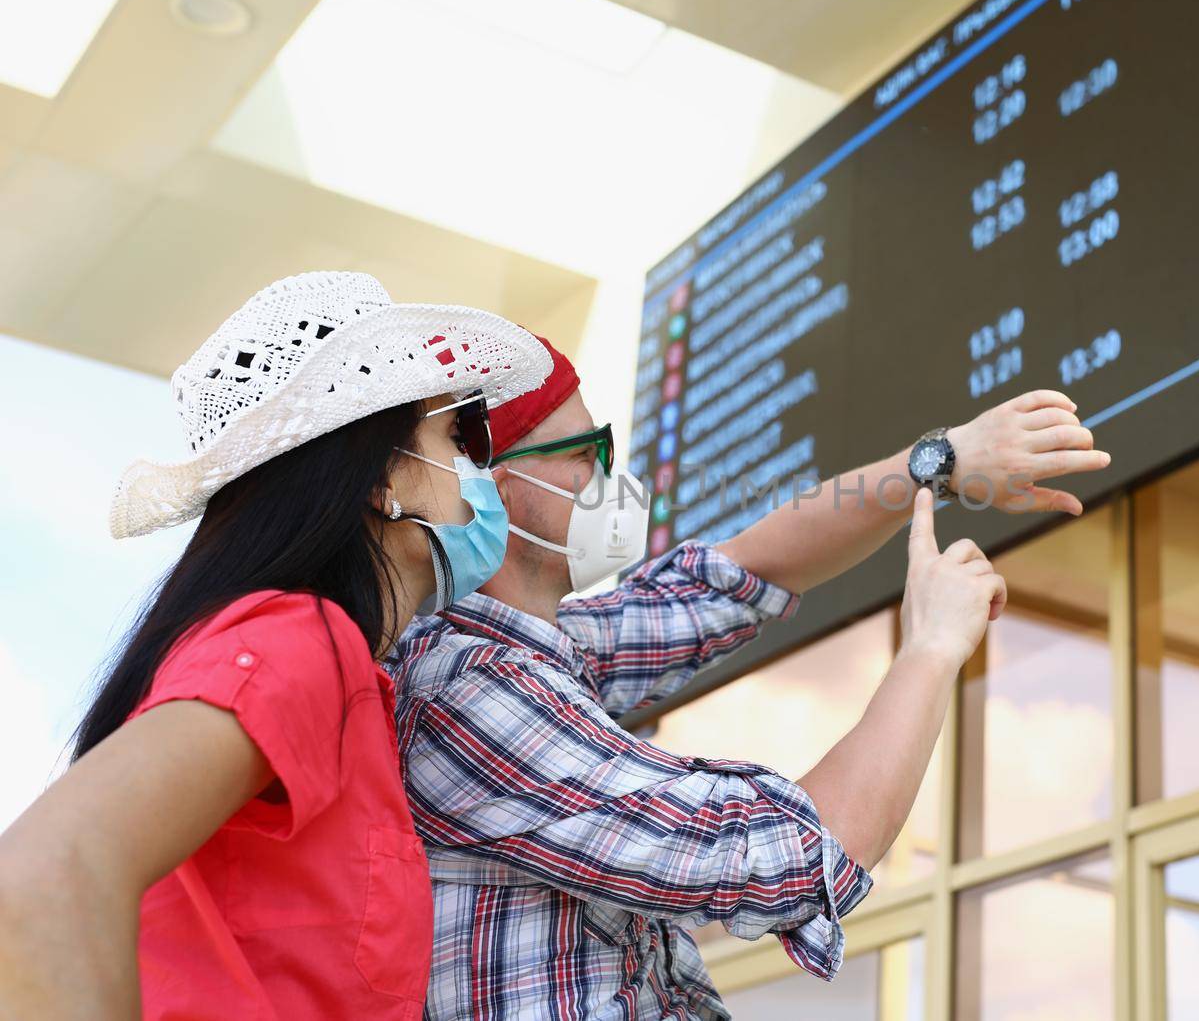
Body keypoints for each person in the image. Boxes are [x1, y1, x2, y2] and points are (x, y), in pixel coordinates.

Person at [386, 334, 1110, 1019]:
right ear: (496, 488)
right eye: (586, 449)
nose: (607, 473)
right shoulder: (472, 691)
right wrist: (931, 645)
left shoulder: (542, 650)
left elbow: (742, 573)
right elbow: (791, 852)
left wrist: (940, 461)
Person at [0, 271, 550, 1020]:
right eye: (462, 435)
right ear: (380, 477)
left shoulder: (346, 674)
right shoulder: (298, 637)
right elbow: (44, 874)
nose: (483, 474)